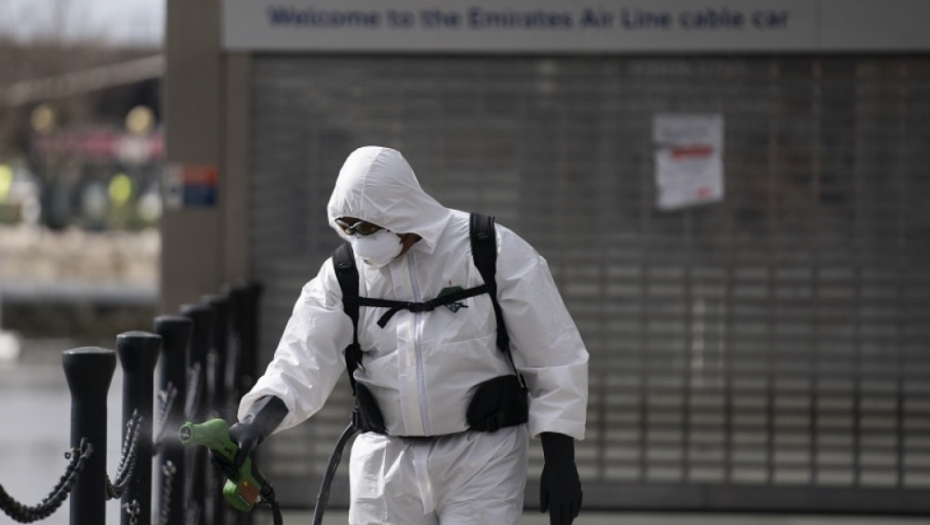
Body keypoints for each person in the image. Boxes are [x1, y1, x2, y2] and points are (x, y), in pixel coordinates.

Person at [226, 146, 589, 525]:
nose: (358, 238)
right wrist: (256, 422)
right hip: (385, 464)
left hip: (482, 458)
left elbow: (553, 354)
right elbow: (302, 360)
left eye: (368, 227)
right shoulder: (345, 273)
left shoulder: (488, 251)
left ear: (403, 212)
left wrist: (560, 458)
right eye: (347, 227)